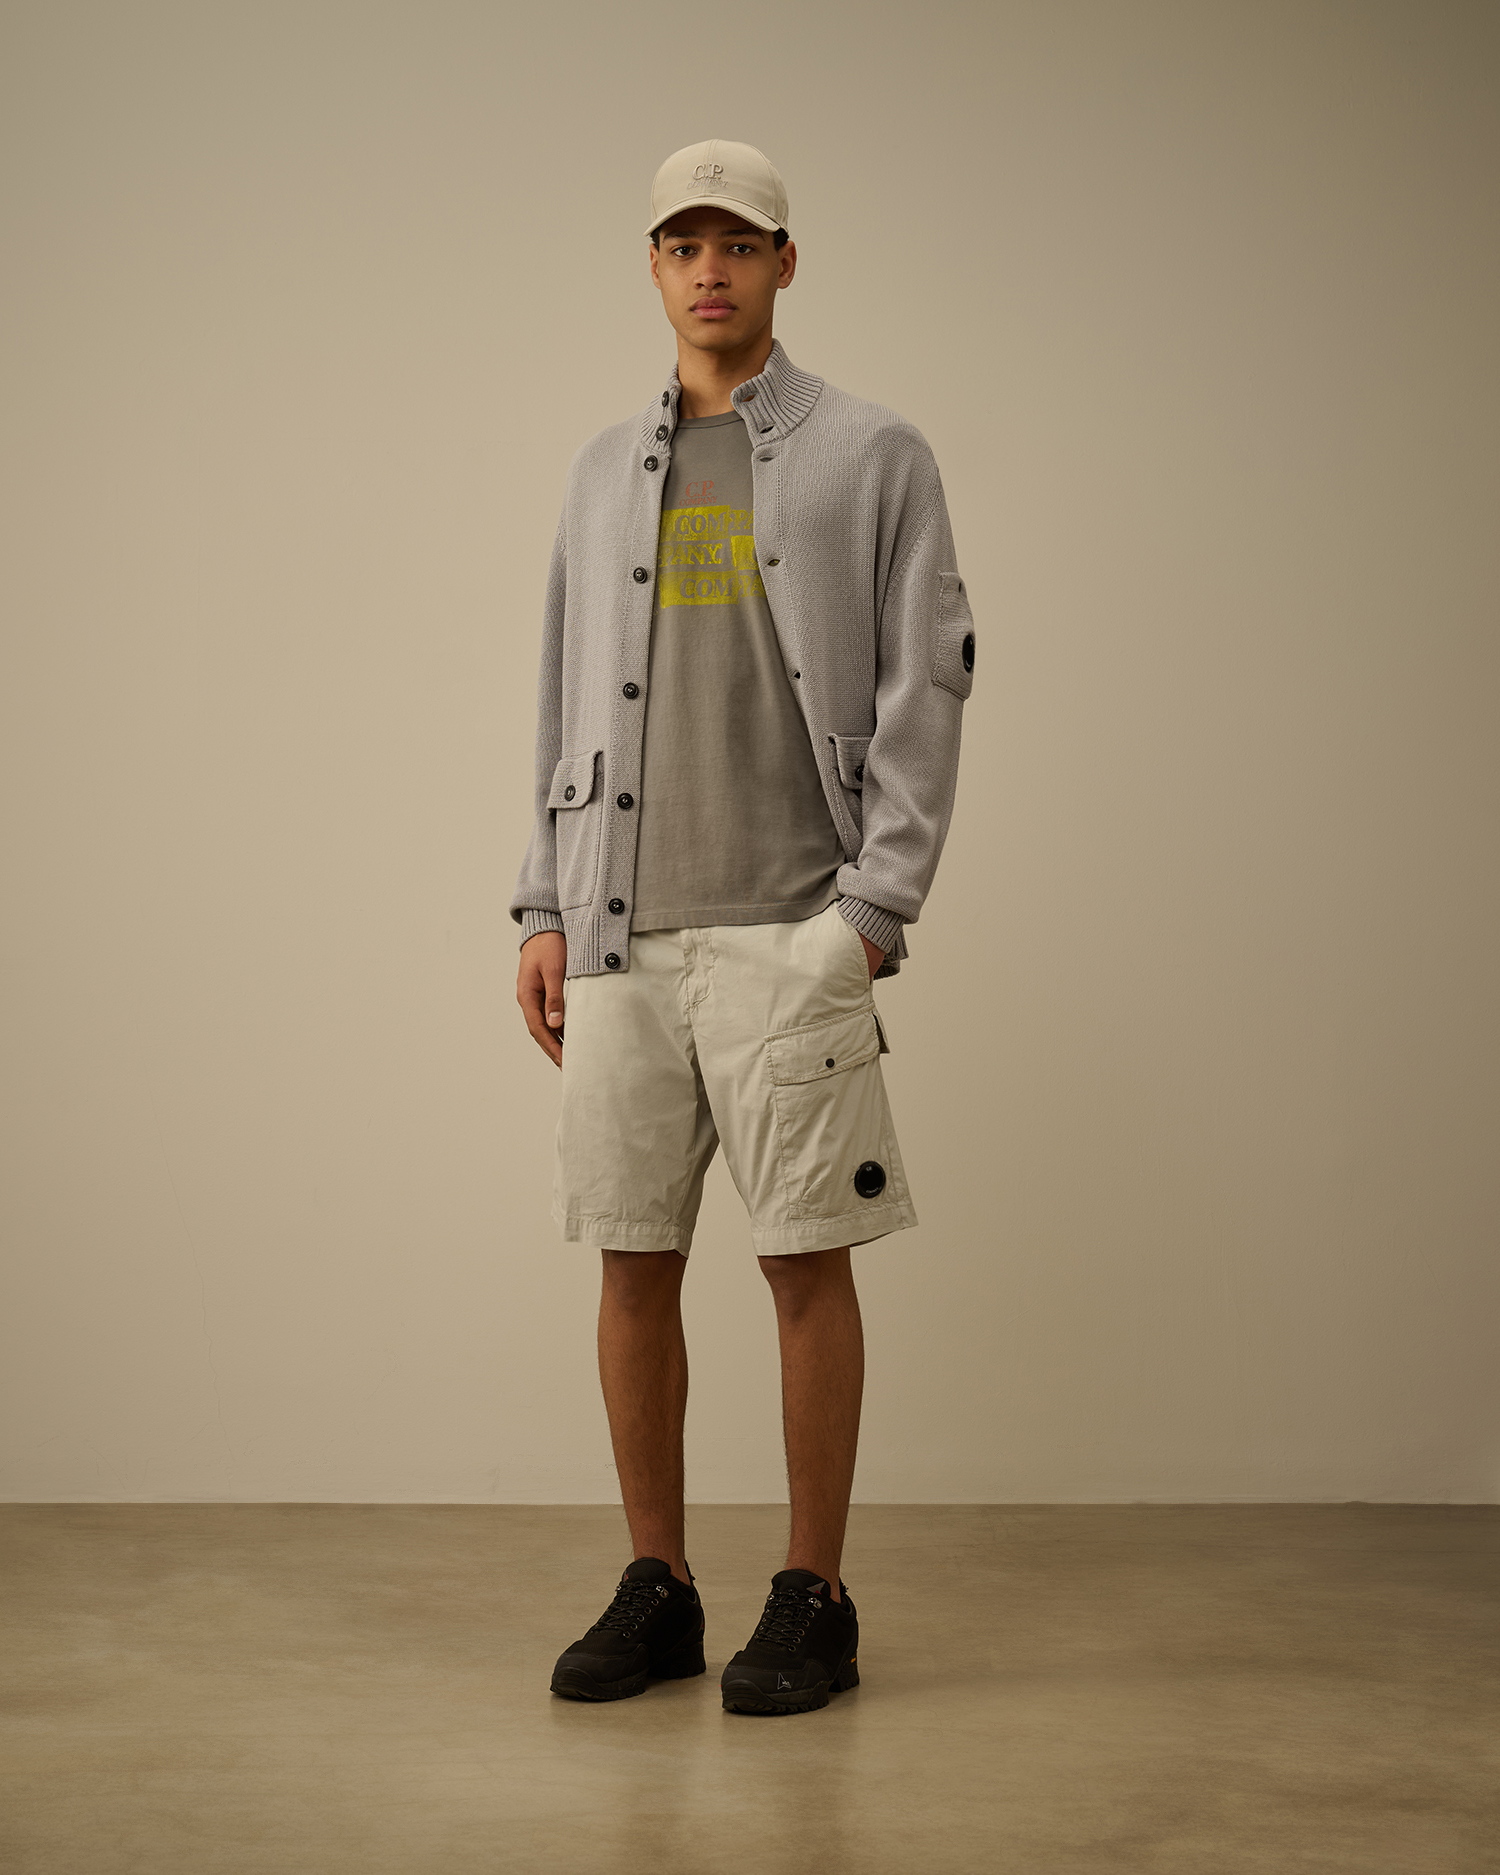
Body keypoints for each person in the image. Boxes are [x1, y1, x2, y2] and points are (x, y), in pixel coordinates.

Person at [511, 139, 975, 1716]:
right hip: (620, 933)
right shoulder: (600, 472)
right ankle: (657, 1584)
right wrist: (540, 901)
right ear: (653, 266)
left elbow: (929, 683)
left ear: (785, 262)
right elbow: (559, 693)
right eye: (682, 243)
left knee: (802, 1264)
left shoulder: (872, 453)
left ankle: (814, 1593)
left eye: (739, 242)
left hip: (795, 928)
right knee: (631, 1262)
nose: (709, 268)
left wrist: (873, 912)